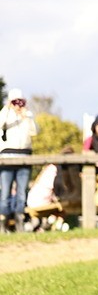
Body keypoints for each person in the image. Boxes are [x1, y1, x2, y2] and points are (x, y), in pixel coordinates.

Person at [0, 88, 39, 231]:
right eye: (15, 101)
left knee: (22, 192)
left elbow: (34, 131)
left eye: (20, 101)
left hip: (25, 157)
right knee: (5, 192)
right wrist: (8, 107)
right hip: (7, 158)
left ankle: (19, 221)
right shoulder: (5, 114)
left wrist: (26, 116)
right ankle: (3, 223)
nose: (18, 104)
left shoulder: (27, 116)